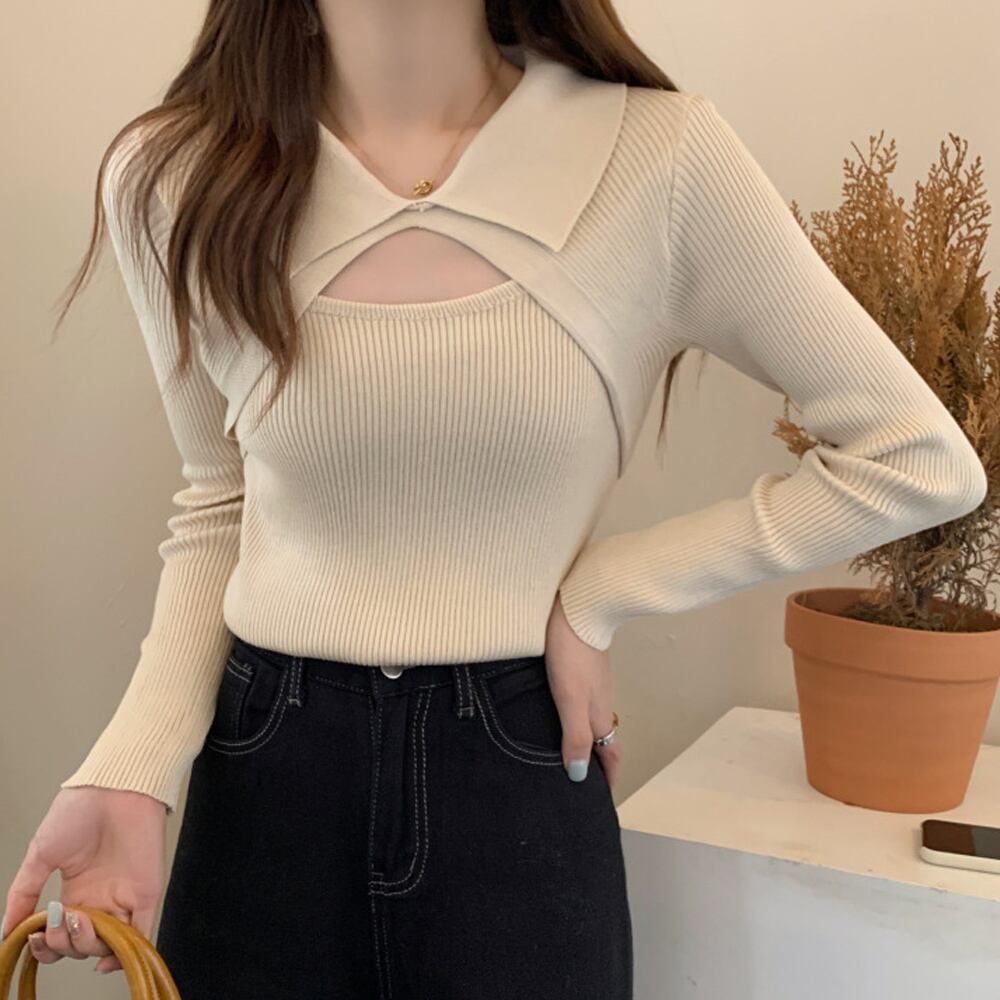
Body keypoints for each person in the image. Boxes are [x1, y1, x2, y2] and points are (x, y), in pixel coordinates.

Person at [2, 1, 988, 997]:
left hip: (518, 768)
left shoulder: (656, 158)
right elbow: (221, 500)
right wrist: (131, 768)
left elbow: (914, 456)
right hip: (264, 784)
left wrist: (603, 589)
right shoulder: (177, 173)